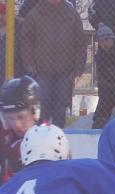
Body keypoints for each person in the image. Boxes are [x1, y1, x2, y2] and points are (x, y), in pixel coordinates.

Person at [21, 0, 86, 128]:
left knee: (60, 108)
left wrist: (78, 67)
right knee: (41, 107)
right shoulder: (35, 13)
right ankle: (41, 136)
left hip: (65, 71)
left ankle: (57, 137)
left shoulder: (71, 13)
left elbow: (80, 42)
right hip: (41, 71)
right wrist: (30, 64)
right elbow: (26, 40)